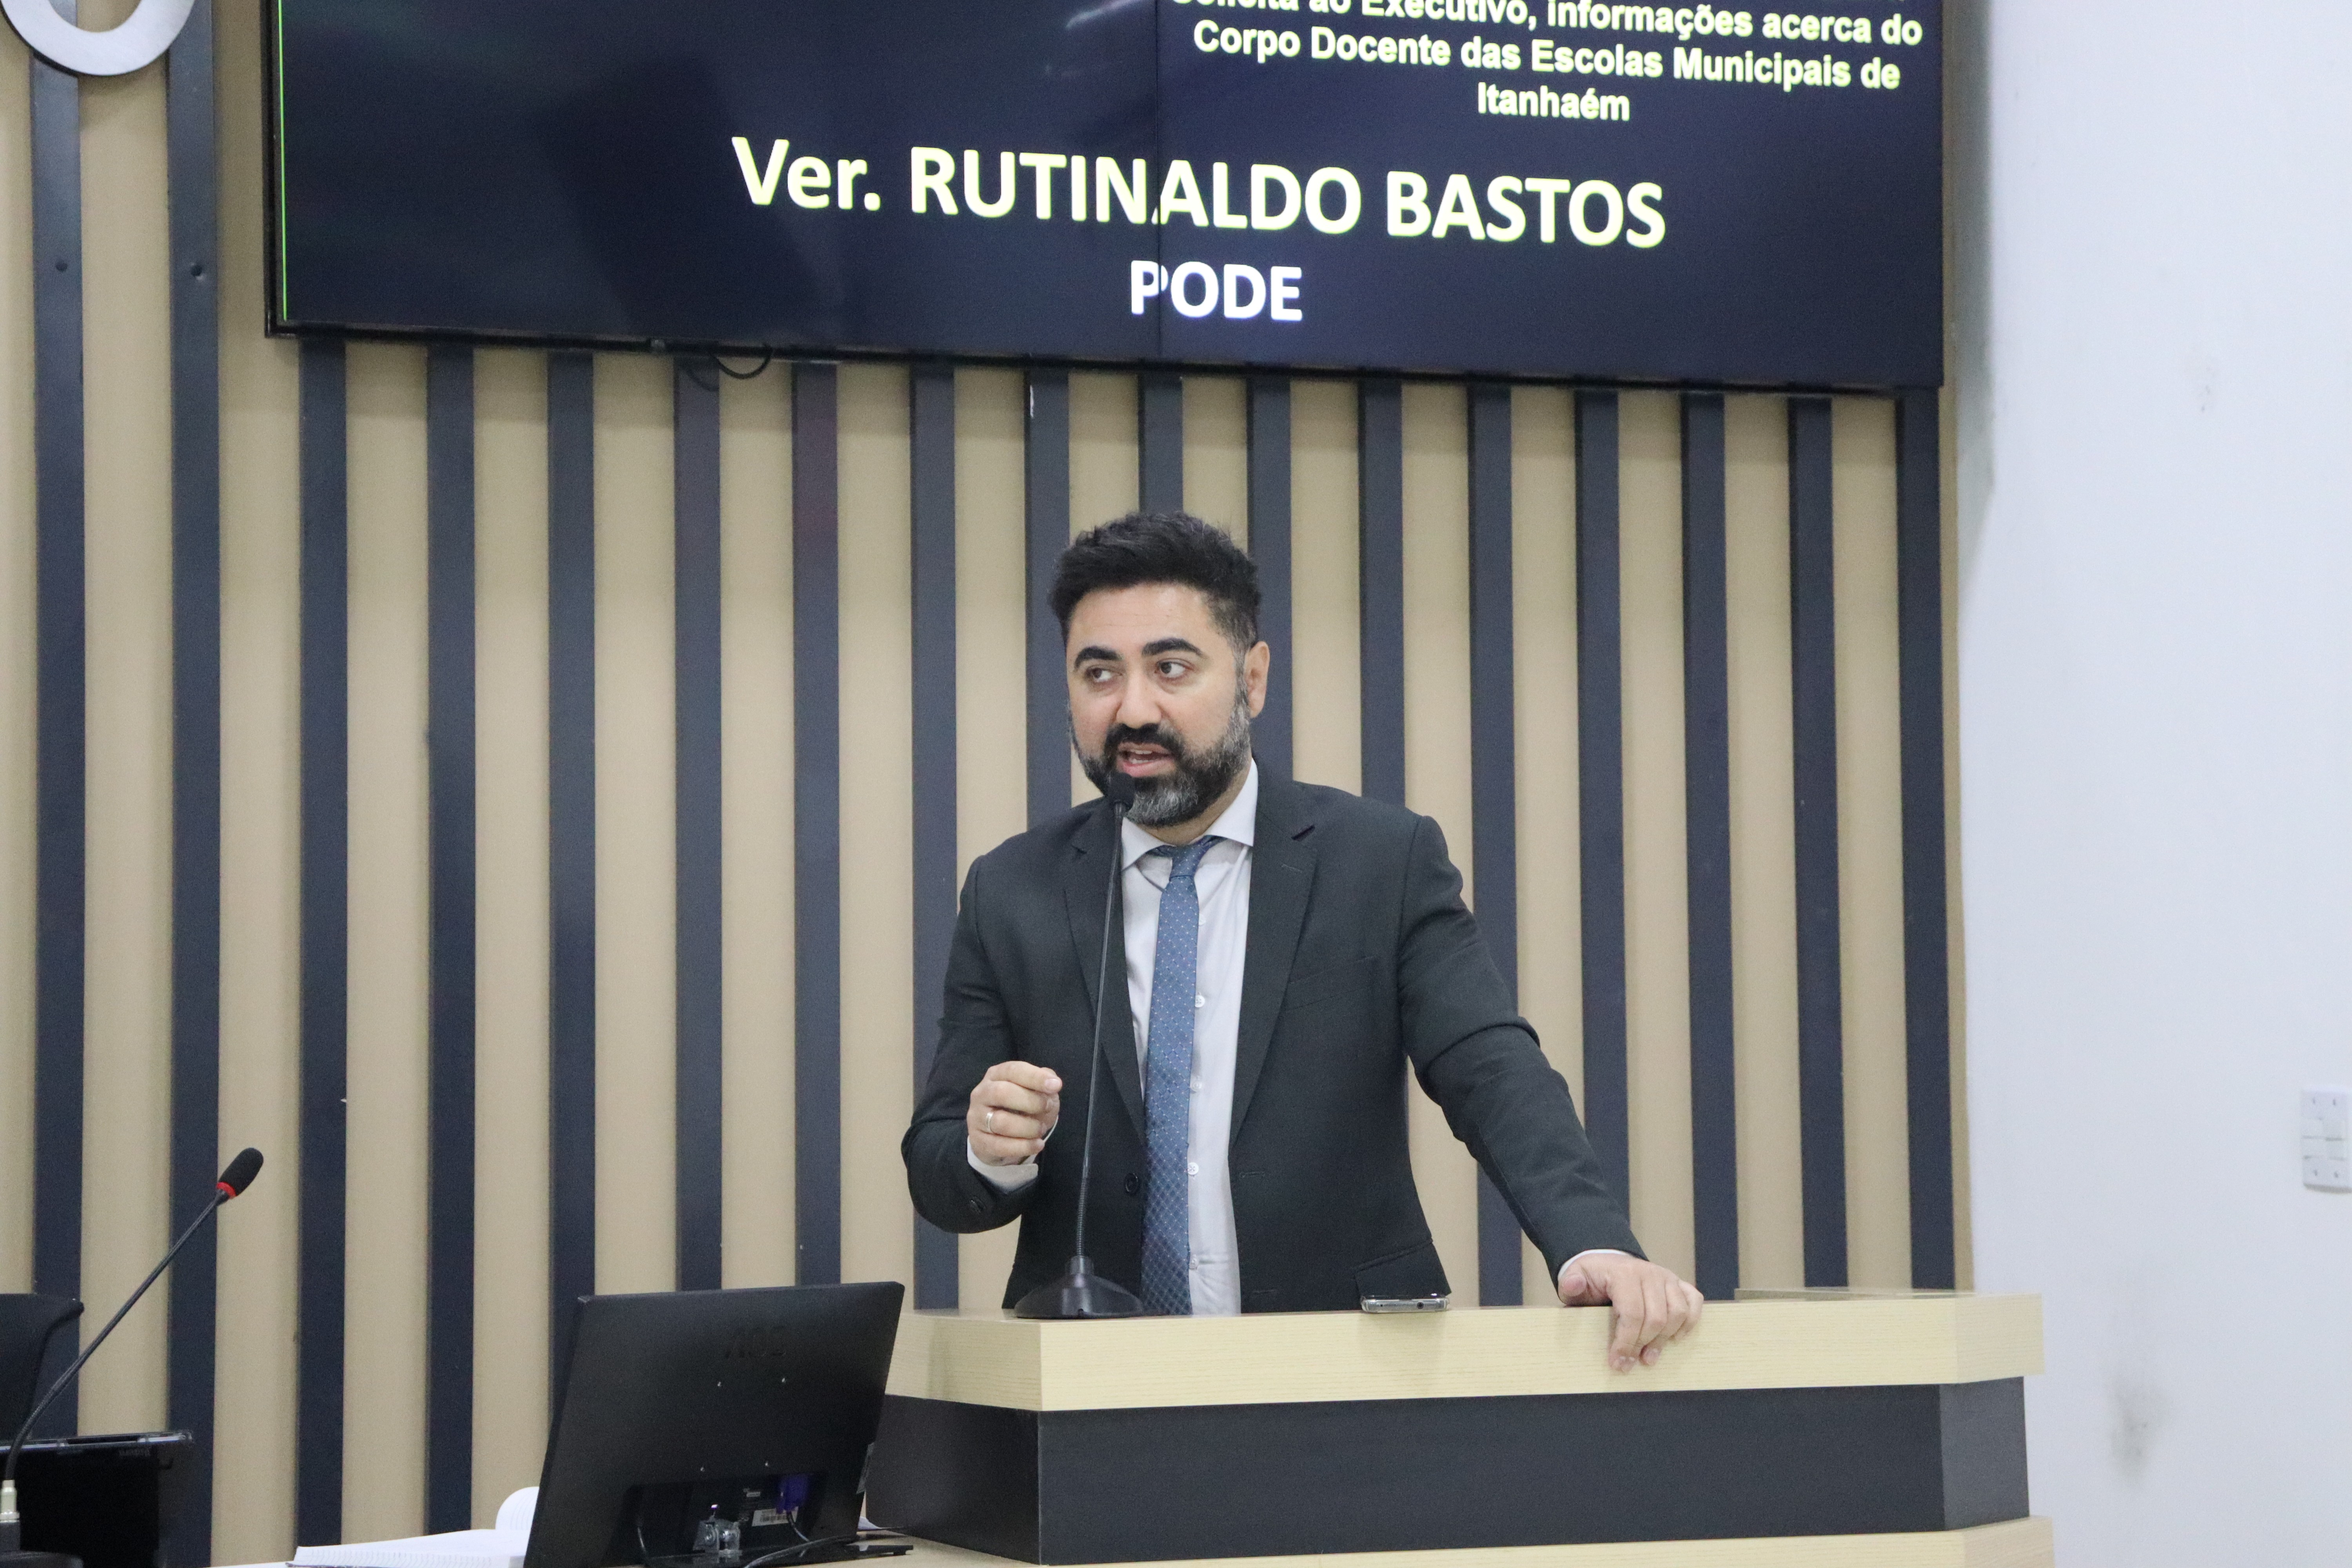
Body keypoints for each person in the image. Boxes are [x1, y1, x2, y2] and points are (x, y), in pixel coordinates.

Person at [902, 512, 1701, 1370]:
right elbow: (939, 1168)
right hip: (1090, 1383)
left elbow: (1490, 1066)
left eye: (1171, 668)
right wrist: (991, 1149)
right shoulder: (1013, 888)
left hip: (1345, 1371)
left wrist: (1590, 1240)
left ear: (1252, 679)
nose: (1133, 709)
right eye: (1100, 674)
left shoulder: (1380, 860)